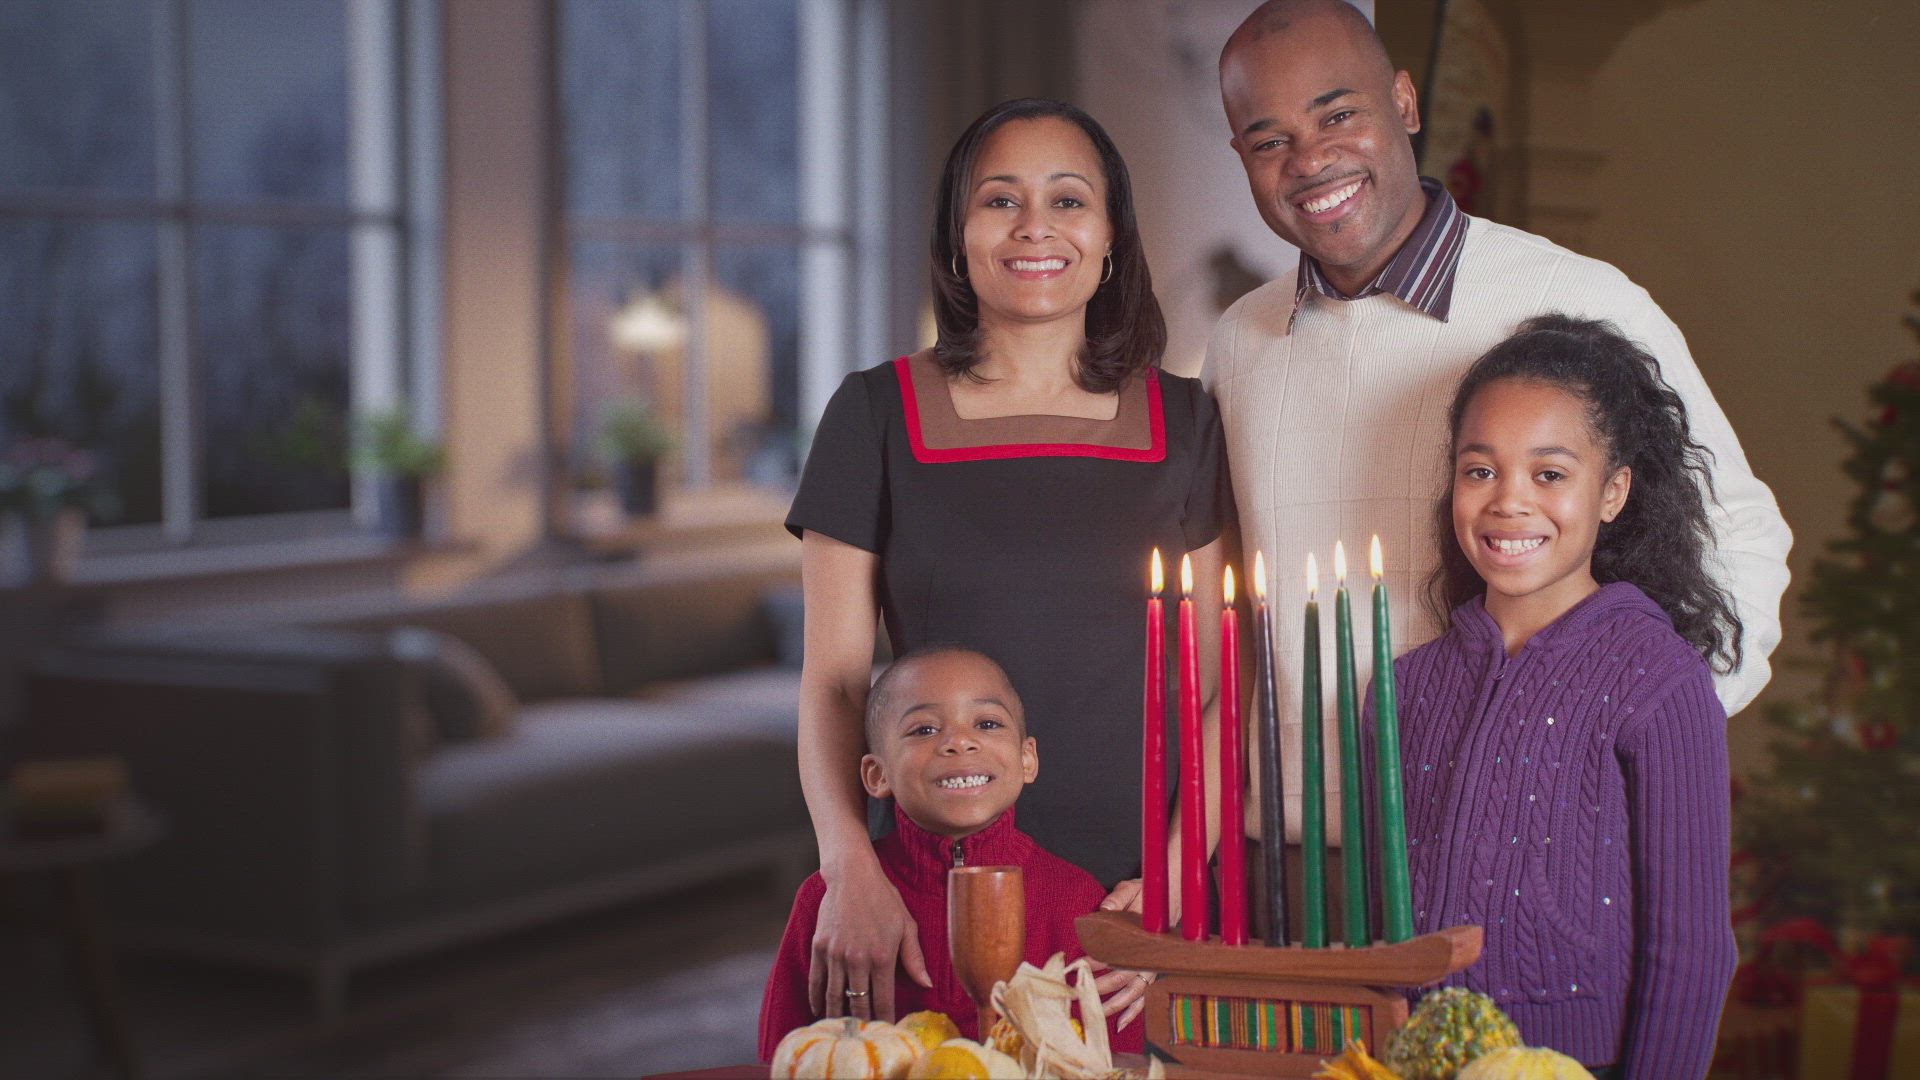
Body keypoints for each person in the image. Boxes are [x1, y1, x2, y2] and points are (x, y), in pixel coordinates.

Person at [1204, 0, 1790, 842]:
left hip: (1512, 844)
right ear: (1242, 158)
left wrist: (1621, 745)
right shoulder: (1238, 345)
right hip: (1284, 859)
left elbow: (1741, 542)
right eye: (1270, 141)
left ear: (1404, 101)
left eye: (1339, 114)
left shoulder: (1579, 300)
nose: (1311, 159)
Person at [787, 98, 1231, 1030]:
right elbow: (833, 684)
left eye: (1069, 200)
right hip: (920, 901)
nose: (1035, 227)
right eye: (1001, 200)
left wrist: (1175, 890)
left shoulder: (1188, 424)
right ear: (958, 239)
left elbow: (1215, 692)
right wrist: (848, 868)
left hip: (1127, 910)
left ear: (1112, 237)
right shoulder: (874, 415)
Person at [1368, 315, 1738, 1076]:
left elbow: (1691, 949)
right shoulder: (1402, 686)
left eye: (1549, 474)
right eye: (1480, 471)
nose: (1509, 502)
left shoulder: (1657, 679)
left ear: (1613, 492)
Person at [758, 647, 1143, 1058]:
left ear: (1027, 759)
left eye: (987, 723)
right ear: (877, 774)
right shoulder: (827, 901)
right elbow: (782, 1055)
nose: (959, 741)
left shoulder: (1075, 898)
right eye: (924, 730)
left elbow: (1112, 1058)